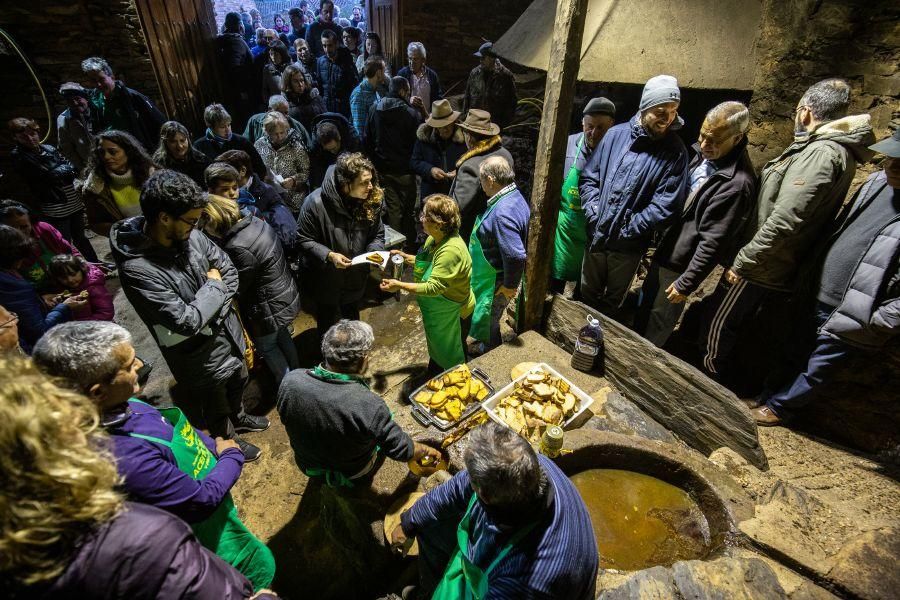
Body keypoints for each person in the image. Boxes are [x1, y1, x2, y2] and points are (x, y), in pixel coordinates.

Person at [31, 322, 276, 592]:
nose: (139, 364)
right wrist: (230, 456)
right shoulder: (120, 456)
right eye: (127, 366)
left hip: (214, 500)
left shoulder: (125, 404)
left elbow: (180, 432)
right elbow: (200, 501)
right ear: (97, 392)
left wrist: (209, 445)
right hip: (201, 538)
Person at [700, 79, 875, 379]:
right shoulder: (829, 152)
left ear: (805, 113)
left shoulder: (820, 154)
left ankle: (701, 384)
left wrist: (744, 260)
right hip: (770, 263)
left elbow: (786, 219)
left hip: (761, 266)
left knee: (717, 326)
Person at [110, 170, 268, 461]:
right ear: (164, 218)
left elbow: (229, 271)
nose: (196, 226)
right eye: (191, 220)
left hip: (225, 334)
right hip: (197, 354)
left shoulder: (192, 235)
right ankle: (228, 441)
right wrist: (215, 285)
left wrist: (210, 301)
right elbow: (186, 320)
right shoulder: (138, 270)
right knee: (214, 400)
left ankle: (241, 416)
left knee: (238, 379)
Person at [749, 129, 900, 426]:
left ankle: (781, 407)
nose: (892, 167)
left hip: (859, 307)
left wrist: (882, 319)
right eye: (891, 159)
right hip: (822, 288)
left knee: (817, 367)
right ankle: (766, 395)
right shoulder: (876, 184)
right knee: (792, 350)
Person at [391, 422, 598, 599]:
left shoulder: (525, 580)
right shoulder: (529, 465)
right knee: (432, 526)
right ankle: (429, 591)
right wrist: (410, 522)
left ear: (485, 496)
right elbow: (456, 489)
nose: (466, 481)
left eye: (473, 483)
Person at [636, 101, 757, 347]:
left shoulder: (736, 184)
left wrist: (687, 282)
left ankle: (637, 371)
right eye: (702, 136)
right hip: (666, 249)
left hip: (680, 263)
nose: (704, 145)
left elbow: (714, 240)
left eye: (713, 141)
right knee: (643, 307)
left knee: (659, 321)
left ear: (737, 138)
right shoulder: (702, 159)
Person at [277, 319, 442, 487]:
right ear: (363, 359)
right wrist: (426, 450)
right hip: (353, 470)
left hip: (308, 465)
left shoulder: (291, 381)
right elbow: (401, 450)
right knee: (378, 430)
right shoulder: (368, 405)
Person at [580, 75, 689, 321]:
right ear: (645, 106)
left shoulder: (675, 153)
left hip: (628, 247)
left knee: (612, 304)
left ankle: (600, 342)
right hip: (596, 236)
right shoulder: (614, 136)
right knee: (586, 294)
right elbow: (589, 177)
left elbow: (666, 206)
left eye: (673, 111)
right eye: (661, 111)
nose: (668, 117)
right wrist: (593, 211)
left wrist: (628, 229)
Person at [203, 194, 301, 386]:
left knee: (268, 347)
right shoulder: (254, 221)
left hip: (266, 307)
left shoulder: (236, 246)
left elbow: (239, 284)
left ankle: (289, 386)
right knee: (282, 335)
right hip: (282, 294)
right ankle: (298, 374)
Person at [380, 195, 475, 372]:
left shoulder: (451, 250)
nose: (421, 219)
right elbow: (432, 265)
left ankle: (455, 381)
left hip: (453, 312)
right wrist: (408, 259)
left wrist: (399, 285)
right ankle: (434, 370)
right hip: (440, 310)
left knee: (452, 353)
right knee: (438, 348)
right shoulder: (435, 239)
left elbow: (433, 287)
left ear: (438, 224)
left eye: (425, 216)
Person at [297, 152, 385, 338]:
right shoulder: (315, 203)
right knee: (327, 323)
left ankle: (354, 354)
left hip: (356, 277)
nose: (370, 186)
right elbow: (303, 239)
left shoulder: (371, 200)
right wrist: (329, 255)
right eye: (363, 182)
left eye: (371, 180)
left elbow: (377, 234)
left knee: (352, 317)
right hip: (325, 279)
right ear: (345, 185)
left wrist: (373, 251)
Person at [8, 117, 99, 262]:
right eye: (23, 136)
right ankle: (70, 270)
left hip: (72, 200)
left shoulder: (49, 149)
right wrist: (60, 171)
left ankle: (95, 263)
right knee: (62, 240)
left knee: (80, 237)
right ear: (15, 138)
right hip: (55, 204)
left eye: (33, 134)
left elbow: (71, 167)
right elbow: (47, 176)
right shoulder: (18, 156)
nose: (30, 138)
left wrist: (58, 171)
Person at [550, 97, 616, 293]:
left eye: (601, 128)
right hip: (566, 231)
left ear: (611, 126)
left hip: (592, 231)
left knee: (586, 287)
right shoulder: (568, 145)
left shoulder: (616, 152)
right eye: (590, 126)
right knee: (554, 283)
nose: (593, 133)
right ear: (582, 123)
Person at [468, 156, 529, 352]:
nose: (481, 184)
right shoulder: (514, 195)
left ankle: (490, 352)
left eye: (481, 179)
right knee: (489, 319)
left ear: (491, 180)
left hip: (495, 279)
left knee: (489, 321)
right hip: (494, 273)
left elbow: (515, 255)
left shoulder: (502, 212)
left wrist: (509, 285)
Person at [0, 225, 81, 353]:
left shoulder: (9, 278)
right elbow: (39, 331)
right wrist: (64, 307)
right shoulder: (13, 287)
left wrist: (40, 301)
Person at [365, 76, 421, 246]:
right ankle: (410, 244)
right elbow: (416, 144)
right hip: (405, 171)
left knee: (393, 210)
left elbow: (367, 139)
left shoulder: (374, 109)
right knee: (410, 210)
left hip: (384, 170)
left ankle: (397, 247)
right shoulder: (411, 114)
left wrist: (376, 163)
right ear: (403, 91)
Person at [450, 109, 515, 242]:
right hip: (499, 224)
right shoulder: (505, 154)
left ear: (469, 137)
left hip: (474, 234)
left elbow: (458, 207)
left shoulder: (470, 166)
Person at [213, 150, 299, 250]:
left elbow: (286, 236)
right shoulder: (219, 194)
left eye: (226, 171)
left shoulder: (267, 193)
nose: (221, 176)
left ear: (242, 171)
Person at [81, 129, 158, 235]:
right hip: (128, 241)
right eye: (101, 152)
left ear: (128, 151)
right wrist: (122, 230)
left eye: (112, 152)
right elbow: (96, 223)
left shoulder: (152, 174)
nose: (106, 157)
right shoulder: (95, 187)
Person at [81, 56, 166, 151]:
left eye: (101, 79)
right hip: (116, 152)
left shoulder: (132, 97)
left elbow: (158, 123)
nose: (98, 85)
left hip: (140, 151)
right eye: (93, 81)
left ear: (112, 77)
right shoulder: (95, 102)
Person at [0, 199, 85, 291]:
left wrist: (81, 262)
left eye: (24, 227)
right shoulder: (5, 249)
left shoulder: (44, 229)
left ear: (31, 222)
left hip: (64, 283)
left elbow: (69, 250)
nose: (19, 232)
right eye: (12, 228)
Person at [411, 99, 466, 206]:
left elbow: (471, 160)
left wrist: (459, 170)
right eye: (441, 126)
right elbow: (414, 162)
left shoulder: (464, 138)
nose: (445, 129)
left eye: (448, 125)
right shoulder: (424, 138)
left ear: (453, 122)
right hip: (432, 194)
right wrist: (429, 170)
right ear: (434, 126)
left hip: (457, 192)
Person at [255, 111, 311, 213]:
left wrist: (293, 180)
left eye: (282, 132)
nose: (280, 137)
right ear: (267, 132)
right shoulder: (259, 145)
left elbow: (306, 172)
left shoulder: (296, 146)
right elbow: (256, 169)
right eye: (275, 134)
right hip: (269, 199)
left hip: (294, 201)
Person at [194, 103, 267, 179]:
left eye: (229, 125)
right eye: (222, 127)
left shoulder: (242, 142)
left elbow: (260, 168)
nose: (227, 130)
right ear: (210, 126)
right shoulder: (199, 146)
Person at [463, 42, 517, 130]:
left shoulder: (505, 76)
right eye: (480, 58)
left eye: (483, 58)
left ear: (492, 58)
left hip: (494, 127)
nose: (480, 60)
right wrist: (465, 118)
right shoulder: (474, 73)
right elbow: (467, 97)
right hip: (475, 124)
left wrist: (503, 125)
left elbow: (512, 103)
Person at [47, 254, 115, 321]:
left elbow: (106, 313)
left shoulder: (94, 288)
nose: (70, 280)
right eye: (63, 277)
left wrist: (81, 326)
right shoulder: (63, 290)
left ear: (82, 269)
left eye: (73, 274)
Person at [216, 12, 255, 129]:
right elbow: (235, 69)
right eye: (242, 23)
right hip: (241, 93)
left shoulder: (227, 40)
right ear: (239, 25)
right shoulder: (235, 42)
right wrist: (243, 91)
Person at [308, 112, 361, 188]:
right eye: (328, 150)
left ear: (339, 137)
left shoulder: (352, 138)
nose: (333, 152)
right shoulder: (315, 146)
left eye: (334, 148)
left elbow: (359, 159)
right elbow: (317, 170)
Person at [57, 81, 100, 175]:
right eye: (70, 101)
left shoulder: (98, 111)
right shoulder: (64, 119)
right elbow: (67, 149)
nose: (75, 103)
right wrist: (83, 168)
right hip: (90, 167)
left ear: (86, 99)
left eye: (78, 99)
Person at [316, 29, 359, 119]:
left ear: (336, 44)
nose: (327, 49)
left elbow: (354, 85)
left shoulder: (346, 61)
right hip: (326, 109)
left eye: (330, 45)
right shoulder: (320, 62)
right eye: (324, 46)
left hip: (344, 110)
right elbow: (320, 86)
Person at [153, 120, 212, 187]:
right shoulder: (159, 164)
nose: (180, 146)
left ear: (188, 140)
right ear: (165, 143)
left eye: (182, 140)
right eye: (173, 142)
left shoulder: (201, 159)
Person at [243, 93, 310, 147]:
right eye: (279, 113)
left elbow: (309, 147)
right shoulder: (255, 121)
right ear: (269, 110)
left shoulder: (297, 126)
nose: (284, 117)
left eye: (286, 112)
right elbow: (246, 144)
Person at [397, 42, 443, 119]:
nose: (411, 62)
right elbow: (395, 97)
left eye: (415, 59)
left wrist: (433, 116)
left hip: (427, 118)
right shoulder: (402, 74)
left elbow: (438, 98)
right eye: (410, 58)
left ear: (423, 60)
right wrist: (408, 99)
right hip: (408, 119)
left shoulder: (432, 75)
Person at [350, 56, 388, 143]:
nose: (385, 75)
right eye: (384, 71)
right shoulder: (359, 95)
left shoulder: (377, 89)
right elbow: (359, 130)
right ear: (378, 73)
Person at [283, 63, 327, 133]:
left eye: (301, 80)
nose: (300, 84)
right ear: (288, 83)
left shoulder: (314, 97)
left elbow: (325, 118)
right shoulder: (284, 103)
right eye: (295, 81)